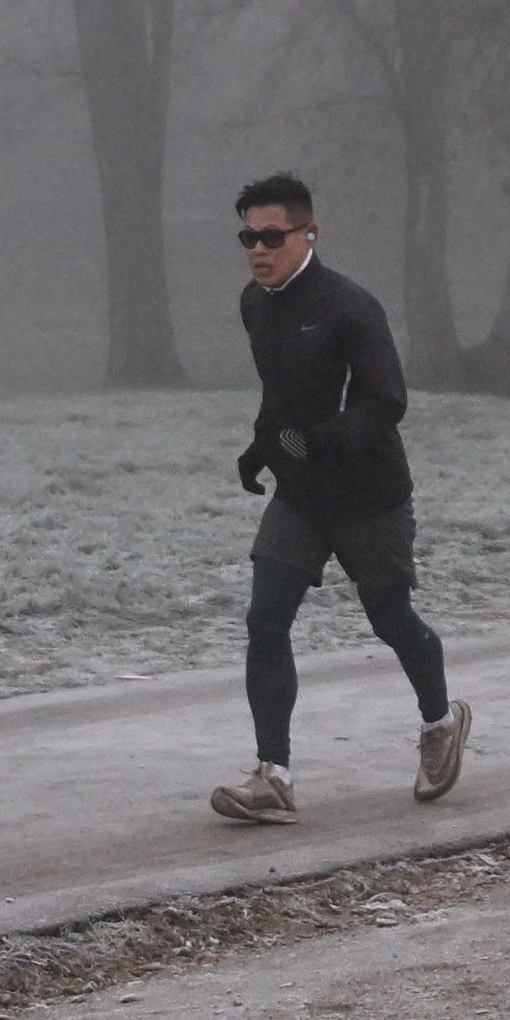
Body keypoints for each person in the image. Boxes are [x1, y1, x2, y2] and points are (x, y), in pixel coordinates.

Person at [209, 172, 469, 823]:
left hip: (368, 496)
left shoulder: (351, 307)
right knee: (266, 619)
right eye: (248, 236)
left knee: (389, 618)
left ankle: (440, 724)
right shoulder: (254, 303)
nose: (258, 249)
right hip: (300, 495)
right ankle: (274, 777)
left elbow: (387, 401)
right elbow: (280, 397)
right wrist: (260, 447)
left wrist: (320, 442)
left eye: (272, 236)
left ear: (309, 234)